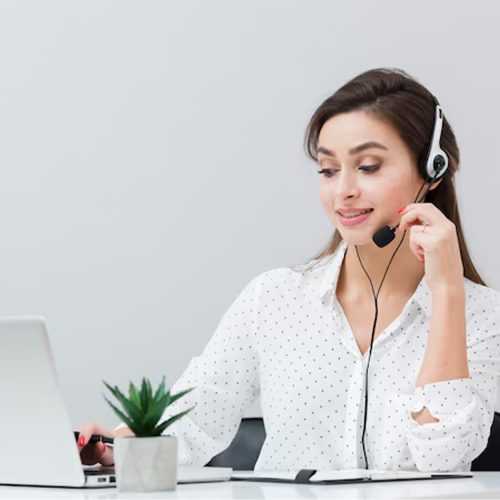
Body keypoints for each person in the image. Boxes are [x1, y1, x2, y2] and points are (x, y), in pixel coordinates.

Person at [77, 68, 500, 472]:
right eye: (328, 169)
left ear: (434, 171)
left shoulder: (481, 314)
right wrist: (119, 447)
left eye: (368, 167)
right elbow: (195, 416)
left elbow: (443, 456)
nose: (343, 190)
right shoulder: (275, 298)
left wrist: (446, 294)